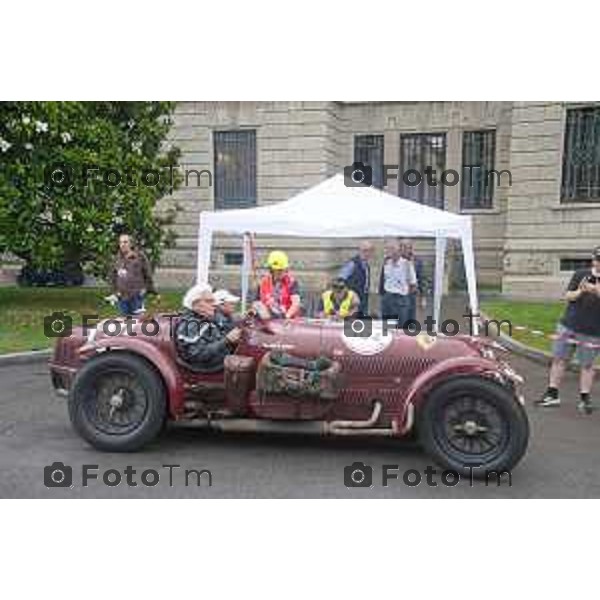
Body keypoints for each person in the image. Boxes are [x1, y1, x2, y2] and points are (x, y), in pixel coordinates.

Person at [537, 246, 600, 414]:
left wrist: (596, 290)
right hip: (568, 325)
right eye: (597, 259)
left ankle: (584, 399)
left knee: (587, 365)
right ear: (594, 260)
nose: (599, 263)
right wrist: (580, 291)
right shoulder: (581, 274)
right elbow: (568, 296)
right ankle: (552, 394)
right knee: (559, 359)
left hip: (593, 331)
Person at [175, 284, 242, 371]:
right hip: (209, 366)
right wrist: (227, 340)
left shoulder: (207, 318)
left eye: (213, 301)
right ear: (195, 304)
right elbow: (197, 355)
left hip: (222, 358)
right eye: (209, 301)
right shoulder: (192, 325)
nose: (214, 304)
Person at [108, 233, 156, 316]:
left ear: (130, 243)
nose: (123, 245)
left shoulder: (140, 256)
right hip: (122, 297)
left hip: (137, 296)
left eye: (125, 242)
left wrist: (148, 289)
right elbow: (113, 277)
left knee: (137, 323)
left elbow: (147, 273)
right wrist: (114, 292)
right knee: (125, 323)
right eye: (121, 242)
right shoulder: (116, 258)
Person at [378, 239, 417, 326]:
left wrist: (405, 295)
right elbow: (384, 279)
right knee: (385, 325)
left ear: (399, 251)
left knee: (401, 326)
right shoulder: (386, 263)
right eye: (387, 249)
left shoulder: (407, 264)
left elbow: (413, 284)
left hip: (401, 299)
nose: (389, 251)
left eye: (391, 249)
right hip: (387, 297)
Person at [254, 250, 301, 320]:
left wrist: (287, 316)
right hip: (267, 321)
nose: (282, 272)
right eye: (279, 270)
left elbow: (296, 303)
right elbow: (257, 303)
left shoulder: (292, 282)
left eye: (284, 270)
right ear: (271, 270)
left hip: (287, 322)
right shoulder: (263, 283)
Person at [339, 241, 373, 315]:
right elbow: (340, 280)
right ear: (359, 251)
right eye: (364, 251)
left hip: (364, 297)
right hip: (352, 299)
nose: (367, 253)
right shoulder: (352, 264)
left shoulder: (366, 265)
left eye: (369, 251)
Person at [401, 239, 426, 322]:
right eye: (404, 247)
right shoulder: (395, 260)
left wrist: (422, 297)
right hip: (399, 295)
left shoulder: (417, 261)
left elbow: (421, 279)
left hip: (412, 294)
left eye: (408, 247)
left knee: (411, 318)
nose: (406, 250)